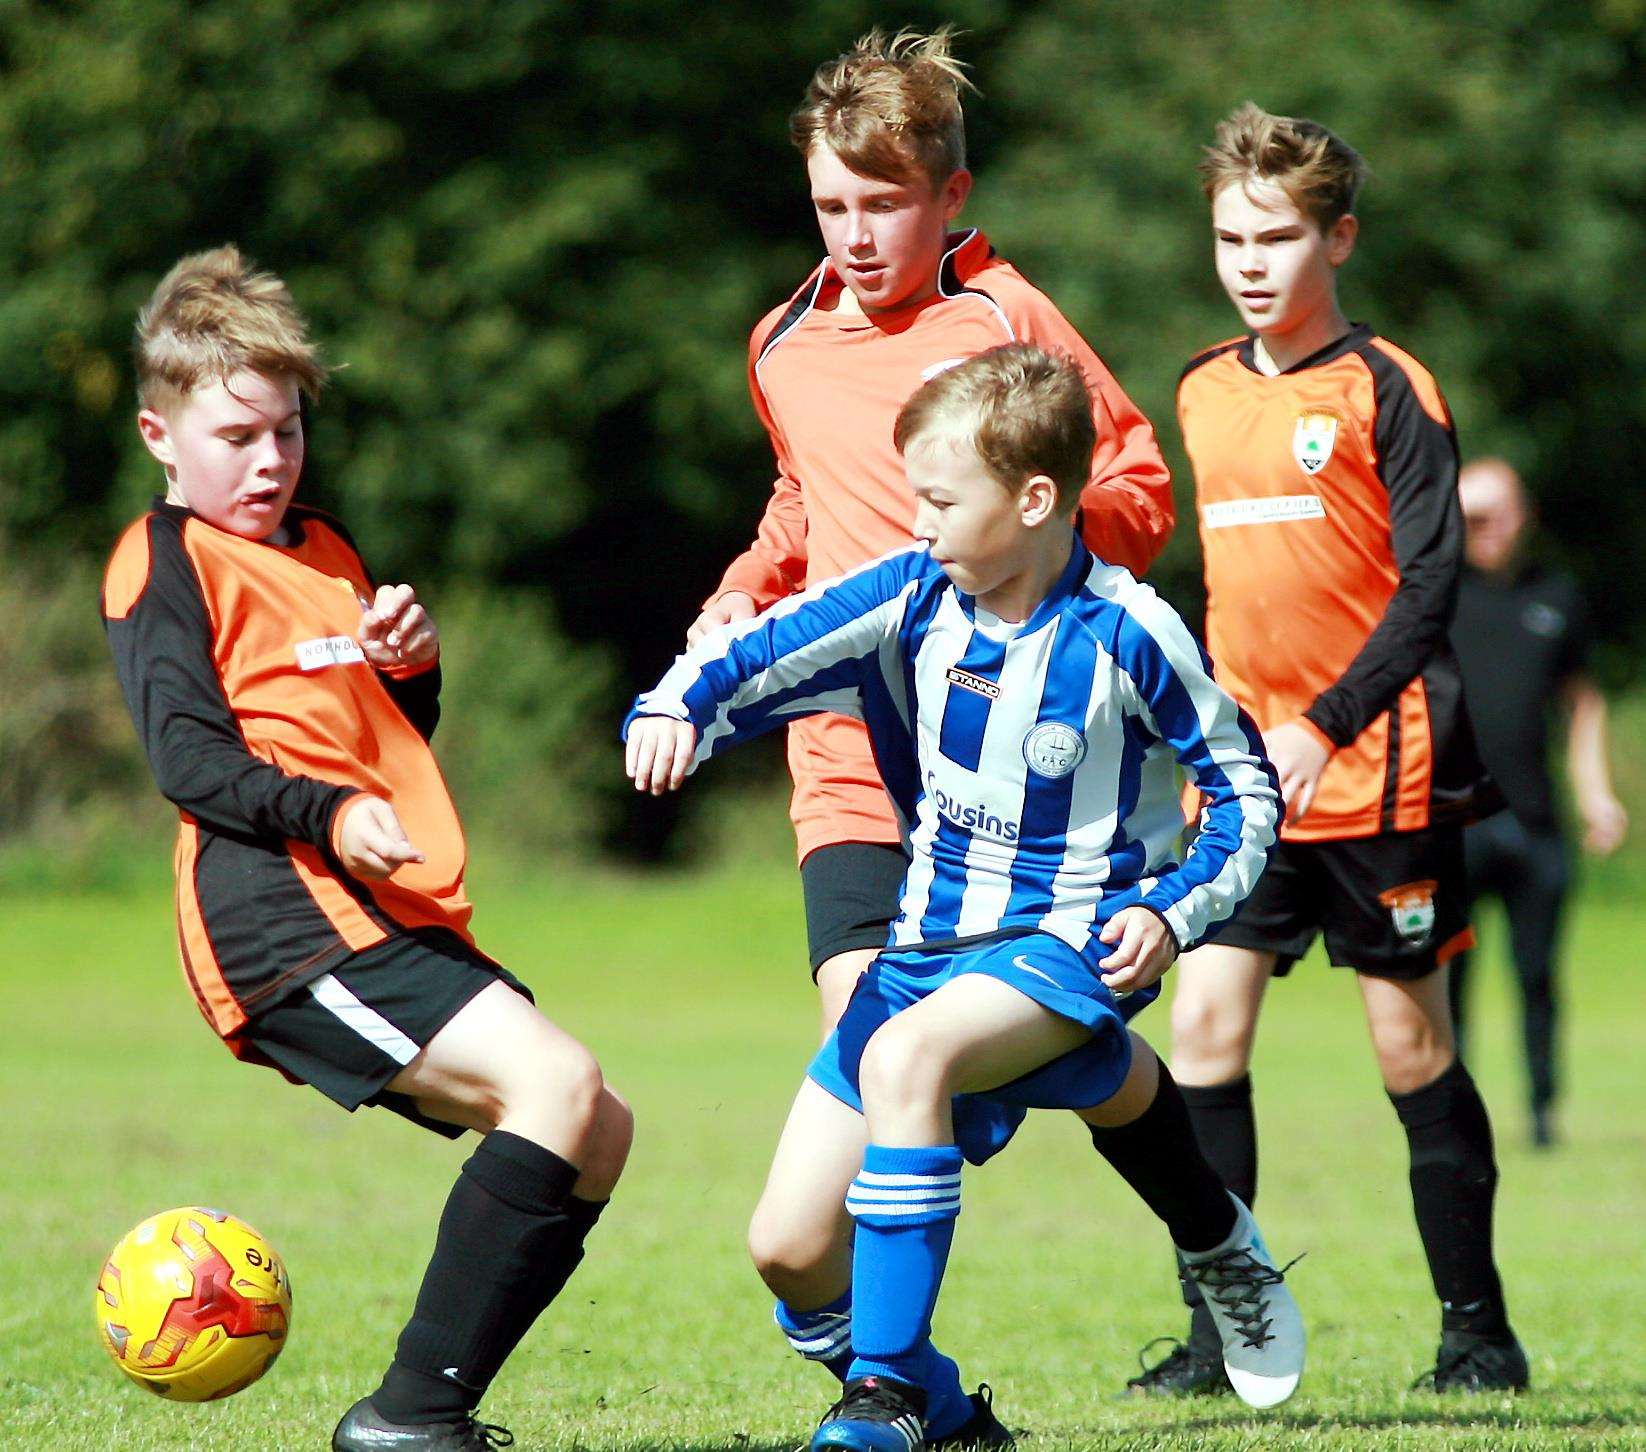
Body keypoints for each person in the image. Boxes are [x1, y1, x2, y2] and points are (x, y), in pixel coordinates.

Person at [630, 345, 1302, 1450]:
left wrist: (1170, 913)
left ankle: (883, 1398)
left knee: (909, 1064)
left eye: (940, 499)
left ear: (1034, 499)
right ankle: (954, 1410)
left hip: (1068, 942)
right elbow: (760, 652)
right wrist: (671, 711)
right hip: (923, 948)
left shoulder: (1130, 633)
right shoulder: (911, 598)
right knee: (789, 1252)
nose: (919, 522)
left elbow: (1243, 799)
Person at [101, 246, 633, 1452]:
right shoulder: (165, 559)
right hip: (274, 910)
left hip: (369, 901)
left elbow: (382, 741)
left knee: (594, 1126)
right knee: (551, 1085)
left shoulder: (324, 550)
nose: (270, 460)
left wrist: (411, 666)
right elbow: (187, 759)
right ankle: (411, 1417)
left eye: (287, 432)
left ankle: (420, 1413)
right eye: (236, 436)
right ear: (158, 435)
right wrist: (331, 815)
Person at [1129, 104, 1526, 1398]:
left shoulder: (1386, 389)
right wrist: (1213, 737)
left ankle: (1475, 1335)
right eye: (1227, 237)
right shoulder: (1194, 387)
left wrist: (1323, 724)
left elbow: (1427, 587)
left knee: (1406, 1050)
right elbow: (1220, 594)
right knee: (1199, 1032)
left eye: (1275, 237)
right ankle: (1219, 1338)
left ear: (1335, 239)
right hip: (1245, 783)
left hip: (1376, 770)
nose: (1247, 260)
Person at [687, 28, 1174, 1044]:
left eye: (883, 204)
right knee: (866, 1055)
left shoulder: (1003, 317)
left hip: (1003, 750)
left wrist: (1029, 545)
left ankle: (1195, 1195)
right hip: (848, 755)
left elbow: (1138, 485)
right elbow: (798, 494)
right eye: (831, 208)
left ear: (950, 200)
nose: (855, 236)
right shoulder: (781, 343)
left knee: (1027, 1061)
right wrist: (742, 587)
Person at [1451, 456, 1628, 1147]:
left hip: (1536, 821)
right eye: (1469, 518)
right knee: (1448, 981)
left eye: (1495, 514)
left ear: (1525, 517)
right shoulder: (1432, 595)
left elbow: (1582, 703)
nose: (1483, 530)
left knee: (1537, 975)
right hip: (1451, 821)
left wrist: (1597, 795)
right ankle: (1455, 1115)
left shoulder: (1558, 597)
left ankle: (1542, 1111)